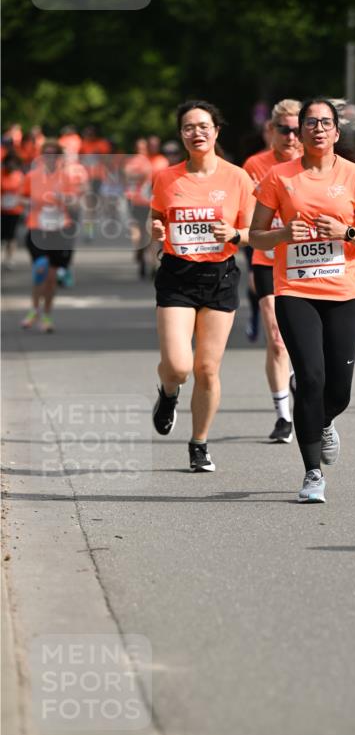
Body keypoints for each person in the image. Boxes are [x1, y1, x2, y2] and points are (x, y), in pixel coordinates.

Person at [250, 97, 355, 503]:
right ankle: (313, 474)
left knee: (338, 389)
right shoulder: (279, 177)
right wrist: (281, 235)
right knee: (311, 378)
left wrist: (344, 233)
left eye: (325, 122)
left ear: (336, 131)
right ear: (302, 129)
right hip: (296, 290)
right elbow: (255, 235)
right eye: (310, 122)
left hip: (345, 290)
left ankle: (325, 420)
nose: (317, 129)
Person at [150, 100, 255, 472]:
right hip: (178, 274)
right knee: (178, 367)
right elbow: (157, 218)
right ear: (181, 135)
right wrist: (156, 230)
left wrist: (236, 234)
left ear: (216, 131)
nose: (197, 133)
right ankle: (168, 393)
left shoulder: (237, 178)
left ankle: (199, 444)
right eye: (188, 127)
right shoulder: (166, 178)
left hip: (220, 277)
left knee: (207, 368)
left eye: (203, 126)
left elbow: (255, 231)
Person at [243, 98, 302, 444]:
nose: (292, 137)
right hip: (267, 259)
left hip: (307, 262)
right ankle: (283, 415)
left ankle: (301, 377)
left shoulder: (314, 164)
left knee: (303, 340)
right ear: (271, 130)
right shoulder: (255, 165)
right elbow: (249, 217)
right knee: (277, 340)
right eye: (285, 129)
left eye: (297, 130)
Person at [20, 140, 84, 332]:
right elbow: (20, 198)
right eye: (46, 153)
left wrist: (63, 198)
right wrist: (32, 202)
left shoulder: (66, 177)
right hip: (38, 228)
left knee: (51, 276)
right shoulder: (32, 176)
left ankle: (46, 315)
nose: (49, 157)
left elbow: (75, 203)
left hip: (59, 229)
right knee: (40, 269)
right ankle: (34, 309)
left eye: (53, 154)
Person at [124, 138, 154, 278]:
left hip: (143, 200)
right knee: (140, 228)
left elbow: (127, 176)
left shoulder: (131, 162)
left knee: (142, 229)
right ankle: (140, 250)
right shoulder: (146, 162)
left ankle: (140, 252)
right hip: (136, 199)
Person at [1, 150, 24, 269]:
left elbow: (23, 193)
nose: (11, 165)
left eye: (13, 163)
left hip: (14, 210)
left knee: (11, 236)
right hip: (1, 210)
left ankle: (9, 259)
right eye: (9, 162)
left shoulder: (19, 175)